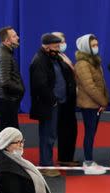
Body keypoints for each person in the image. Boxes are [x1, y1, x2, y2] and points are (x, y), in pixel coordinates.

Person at [29, 33, 65, 177]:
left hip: (53, 103)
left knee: (51, 134)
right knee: (47, 135)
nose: (58, 49)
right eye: (56, 46)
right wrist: (53, 100)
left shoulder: (51, 57)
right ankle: (46, 164)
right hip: (48, 105)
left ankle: (47, 161)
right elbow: (40, 85)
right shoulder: (39, 61)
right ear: (47, 46)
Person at [74, 33, 109, 174]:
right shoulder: (82, 64)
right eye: (93, 45)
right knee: (89, 133)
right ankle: (88, 163)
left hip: (96, 104)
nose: (96, 47)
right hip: (89, 105)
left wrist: (103, 101)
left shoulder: (94, 61)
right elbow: (90, 87)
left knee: (92, 132)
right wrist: (103, 101)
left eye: (96, 44)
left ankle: (89, 160)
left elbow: (101, 84)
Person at [52, 32, 79, 167]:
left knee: (71, 129)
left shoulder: (63, 56)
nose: (62, 44)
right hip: (62, 100)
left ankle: (67, 157)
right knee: (64, 129)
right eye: (59, 41)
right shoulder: (54, 59)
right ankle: (64, 158)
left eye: (63, 41)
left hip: (69, 100)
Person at [0, 26, 24, 130]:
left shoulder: (4, 52)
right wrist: (20, 89)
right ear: (7, 40)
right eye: (14, 36)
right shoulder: (4, 55)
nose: (18, 37)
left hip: (5, 100)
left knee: (8, 135)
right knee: (9, 137)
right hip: (5, 101)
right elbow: (5, 82)